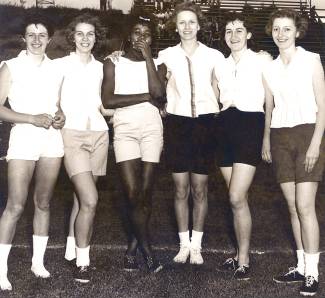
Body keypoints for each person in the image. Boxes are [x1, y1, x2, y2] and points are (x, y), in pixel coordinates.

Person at [262, 8, 325, 297]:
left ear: (297, 31)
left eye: (287, 29)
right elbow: (269, 107)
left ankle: (313, 273)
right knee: (291, 206)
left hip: (307, 134)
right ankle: (300, 266)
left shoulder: (311, 61)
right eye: (276, 29)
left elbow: (323, 107)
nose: (281, 34)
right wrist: (266, 140)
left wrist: (315, 144)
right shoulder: (269, 68)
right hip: (279, 136)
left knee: (305, 206)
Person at [0, 13, 65, 290]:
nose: (37, 40)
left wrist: (61, 115)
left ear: (49, 39)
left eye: (42, 35)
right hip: (23, 137)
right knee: (15, 204)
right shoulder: (10, 67)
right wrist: (31, 119)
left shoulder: (57, 69)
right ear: (23, 38)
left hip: (52, 139)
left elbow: (58, 105)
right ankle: (1, 269)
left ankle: (38, 263)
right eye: (31, 35)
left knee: (44, 202)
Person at [157, 2, 224, 265]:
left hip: (205, 125)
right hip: (177, 124)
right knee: (180, 188)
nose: (187, 27)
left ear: (199, 25)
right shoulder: (165, 54)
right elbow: (145, 74)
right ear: (176, 27)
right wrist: (118, 54)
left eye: (191, 22)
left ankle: (197, 246)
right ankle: (183, 245)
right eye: (182, 22)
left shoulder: (214, 56)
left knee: (200, 188)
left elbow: (226, 82)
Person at [101, 15, 166, 273]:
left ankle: (131, 249)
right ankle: (148, 253)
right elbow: (108, 100)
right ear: (128, 36)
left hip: (152, 131)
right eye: (136, 32)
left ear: (152, 39)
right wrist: (144, 97)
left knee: (146, 194)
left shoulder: (159, 64)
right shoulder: (113, 62)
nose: (141, 37)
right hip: (125, 130)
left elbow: (160, 95)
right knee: (132, 194)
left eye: (146, 33)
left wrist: (149, 56)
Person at [55, 14, 112, 283]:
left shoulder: (103, 67)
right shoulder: (60, 66)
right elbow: (50, 99)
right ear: (72, 37)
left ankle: (70, 246)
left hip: (100, 134)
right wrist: (56, 112)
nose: (85, 38)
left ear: (96, 37)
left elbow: (106, 105)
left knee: (81, 197)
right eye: (80, 34)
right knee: (90, 199)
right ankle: (83, 262)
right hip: (72, 135)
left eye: (90, 34)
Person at [215, 12, 272, 280]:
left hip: (251, 124)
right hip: (226, 125)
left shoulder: (262, 60)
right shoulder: (219, 64)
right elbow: (215, 96)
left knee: (236, 197)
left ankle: (245, 259)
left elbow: (269, 102)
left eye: (239, 30)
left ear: (248, 34)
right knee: (237, 199)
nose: (234, 35)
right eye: (229, 31)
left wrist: (266, 137)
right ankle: (238, 253)